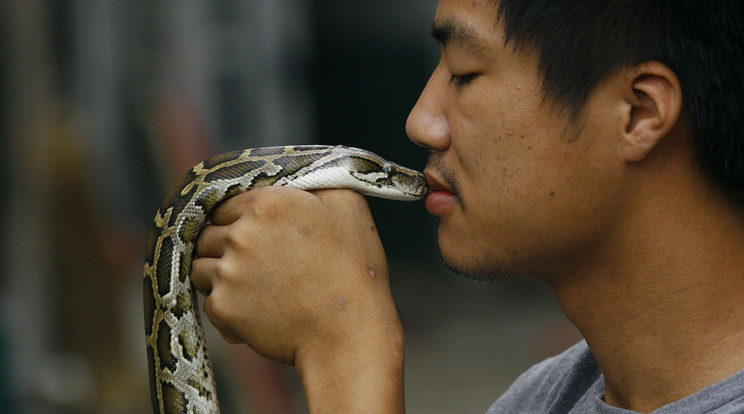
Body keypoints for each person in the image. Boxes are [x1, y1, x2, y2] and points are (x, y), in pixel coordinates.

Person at [190, 0, 744, 412]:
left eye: (463, 72)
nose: (420, 122)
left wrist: (346, 350)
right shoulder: (540, 399)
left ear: (639, 113)